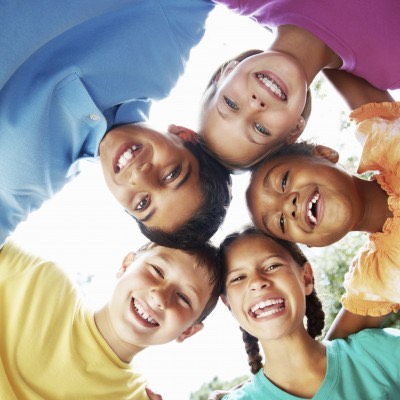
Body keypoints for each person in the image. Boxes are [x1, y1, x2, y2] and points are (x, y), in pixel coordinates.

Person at [0, 0, 232, 249]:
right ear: (184, 135)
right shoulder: (166, 43)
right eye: (171, 174)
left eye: (142, 204)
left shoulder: (29, 186)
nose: (141, 176)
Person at [246, 101, 400, 338]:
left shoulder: (389, 139)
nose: (288, 206)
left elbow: (342, 74)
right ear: (311, 245)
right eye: (281, 223)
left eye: (284, 181)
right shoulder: (377, 278)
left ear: (324, 154)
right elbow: (328, 356)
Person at [0, 239, 223, 399]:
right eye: (157, 270)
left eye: (184, 298)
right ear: (126, 265)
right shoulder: (39, 278)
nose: (159, 297)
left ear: (187, 331)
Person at [194, 0, 399, 169]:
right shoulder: (392, 68)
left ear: (225, 73)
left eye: (230, 103)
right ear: (294, 129)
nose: (255, 105)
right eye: (260, 128)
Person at [212, 226, 400, 399]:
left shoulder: (377, 353)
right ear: (228, 304)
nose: (257, 282)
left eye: (272, 266)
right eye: (238, 278)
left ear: (306, 278)